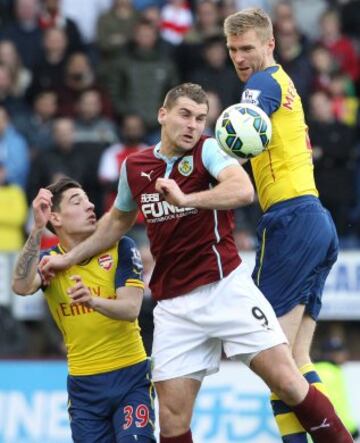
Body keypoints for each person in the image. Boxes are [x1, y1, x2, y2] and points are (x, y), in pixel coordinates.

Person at [39, 83, 353, 443]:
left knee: (287, 381)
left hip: (225, 288)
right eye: (185, 115)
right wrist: (69, 261)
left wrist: (186, 197)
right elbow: (115, 222)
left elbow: (242, 190)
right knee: (172, 422)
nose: (193, 125)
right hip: (174, 306)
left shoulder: (209, 152)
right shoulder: (136, 167)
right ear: (163, 114)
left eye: (201, 118)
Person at [224, 8, 343, 443]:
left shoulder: (261, 84)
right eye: (233, 49)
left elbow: (243, 125)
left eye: (248, 47)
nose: (240, 57)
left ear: (269, 45)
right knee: (296, 357)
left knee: (270, 358)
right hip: (316, 220)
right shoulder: (284, 82)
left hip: (290, 222)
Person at [12, 177, 156, 443]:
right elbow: (20, 287)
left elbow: (131, 308)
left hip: (130, 375)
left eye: (89, 199)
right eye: (77, 202)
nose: (90, 206)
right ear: (55, 217)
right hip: (84, 387)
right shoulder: (50, 262)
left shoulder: (121, 247)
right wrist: (36, 229)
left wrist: (92, 301)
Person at [315, 337, 359, 441]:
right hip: (333, 433)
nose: (345, 355)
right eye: (340, 352)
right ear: (330, 355)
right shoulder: (330, 373)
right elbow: (335, 405)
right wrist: (350, 428)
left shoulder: (316, 369)